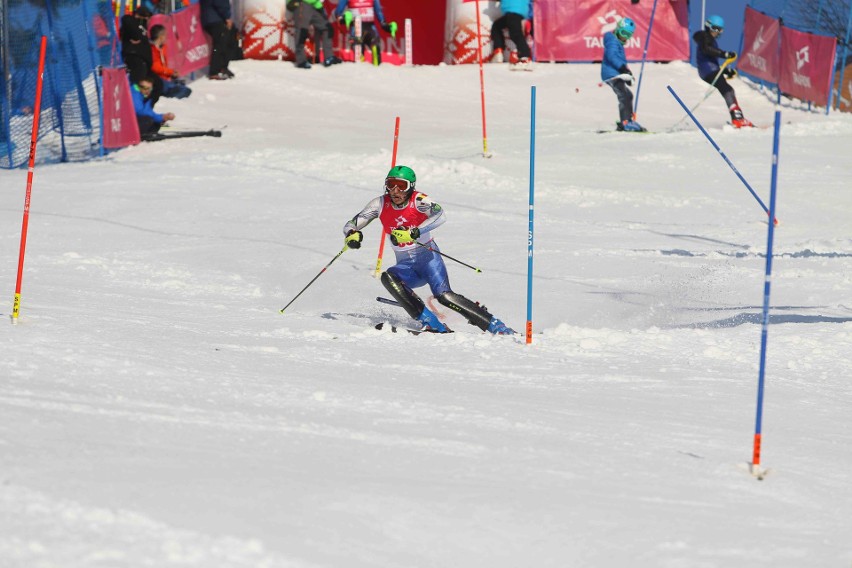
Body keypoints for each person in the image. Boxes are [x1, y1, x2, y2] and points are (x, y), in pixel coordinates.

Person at [342, 165, 516, 335]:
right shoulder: (379, 203)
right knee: (388, 277)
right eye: (390, 184)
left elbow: (441, 215)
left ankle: (496, 326)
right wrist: (351, 234)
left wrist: (415, 232)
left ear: (411, 186)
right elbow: (353, 223)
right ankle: (431, 322)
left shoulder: (419, 201)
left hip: (428, 260)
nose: (395, 191)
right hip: (407, 267)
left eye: (401, 186)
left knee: (444, 297)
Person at [693, 15, 753, 128]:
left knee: (728, 89)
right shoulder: (705, 37)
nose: (717, 32)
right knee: (727, 89)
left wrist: (726, 71)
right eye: (715, 28)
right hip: (708, 71)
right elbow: (707, 50)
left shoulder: (709, 40)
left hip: (709, 71)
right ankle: (738, 119)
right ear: (708, 26)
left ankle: (738, 118)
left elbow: (711, 61)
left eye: (720, 30)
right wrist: (724, 54)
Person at [601, 17, 645, 132]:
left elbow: (620, 61)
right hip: (612, 74)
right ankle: (626, 122)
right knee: (624, 96)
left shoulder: (617, 42)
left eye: (628, 35)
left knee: (628, 95)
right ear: (617, 30)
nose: (624, 37)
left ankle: (626, 120)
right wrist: (622, 68)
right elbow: (612, 56)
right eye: (623, 33)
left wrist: (627, 74)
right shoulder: (612, 41)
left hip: (616, 73)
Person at [333, 0, 397, 65]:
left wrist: (384, 24)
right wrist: (343, 18)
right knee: (359, 56)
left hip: (370, 28)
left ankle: (377, 73)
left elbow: (379, 11)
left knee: (376, 49)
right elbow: (338, 13)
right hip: (356, 28)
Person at [287, 0, 342, 69]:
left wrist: (320, 8)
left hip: (313, 6)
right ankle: (301, 61)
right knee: (302, 31)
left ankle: (329, 57)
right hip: (301, 3)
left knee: (327, 28)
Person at [149, 24, 192, 99]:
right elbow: (155, 67)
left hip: (164, 78)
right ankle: (169, 97)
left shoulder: (162, 48)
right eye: (165, 35)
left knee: (184, 87)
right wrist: (170, 72)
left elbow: (163, 66)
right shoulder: (152, 49)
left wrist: (171, 74)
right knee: (185, 90)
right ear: (161, 37)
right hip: (157, 79)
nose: (166, 38)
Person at [489, 0, 533, 68]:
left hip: (514, 11)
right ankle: (498, 51)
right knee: (497, 26)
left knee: (516, 34)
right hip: (517, 12)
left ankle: (525, 56)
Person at [200, 0, 235, 79]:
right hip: (215, 19)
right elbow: (221, 3)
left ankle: (221, 67)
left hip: (208, 18)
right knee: (220, 45)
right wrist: (227, 17)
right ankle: (215, 70)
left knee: (220, 44)